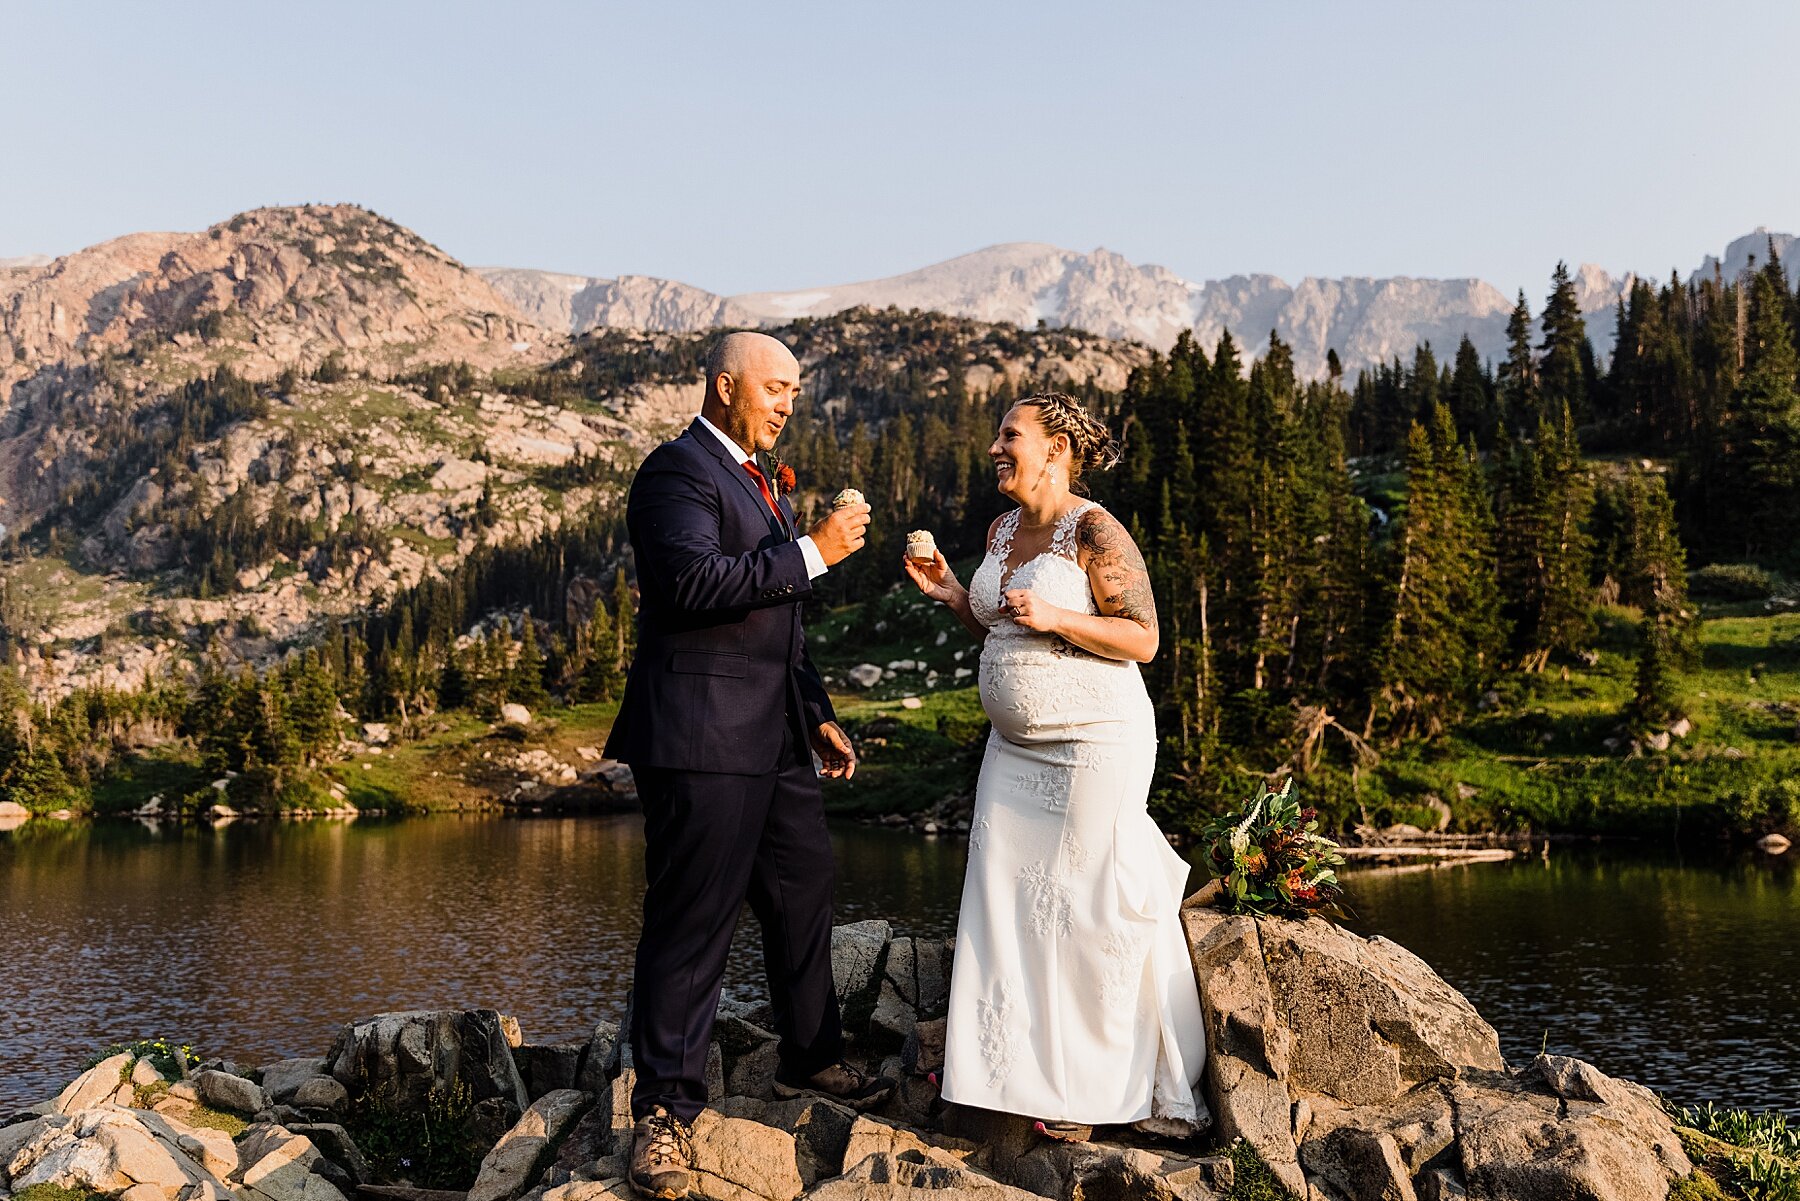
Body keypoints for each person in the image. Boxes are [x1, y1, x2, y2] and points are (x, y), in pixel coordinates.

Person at [605, 331, 895, 1200]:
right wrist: (815, 551)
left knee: (803, 894)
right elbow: (695, 585)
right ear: (725, 386)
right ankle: (663, 1110)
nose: (786, 405)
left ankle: (811, 1061)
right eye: (776, 389)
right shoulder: (675, 471)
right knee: (693, 920)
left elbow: (778, 626)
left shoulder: (762, 484)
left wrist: (817, 714)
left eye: (795, 393)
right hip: (698, 737)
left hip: (771, 740)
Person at [903, 392, 1207, 1141]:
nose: (995, 447)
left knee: (1080, 908)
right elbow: (998, 616)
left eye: (1011, 435)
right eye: (997, 435)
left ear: (1058, 447)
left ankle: (1092, 1087)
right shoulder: (1002, 527)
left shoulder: (1095, 528)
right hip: (1014, 753)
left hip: (1094, 743)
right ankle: (1011, 1077)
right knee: (1005, 909)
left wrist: (1060, 616)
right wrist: (951, 591)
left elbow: (1143, 638)